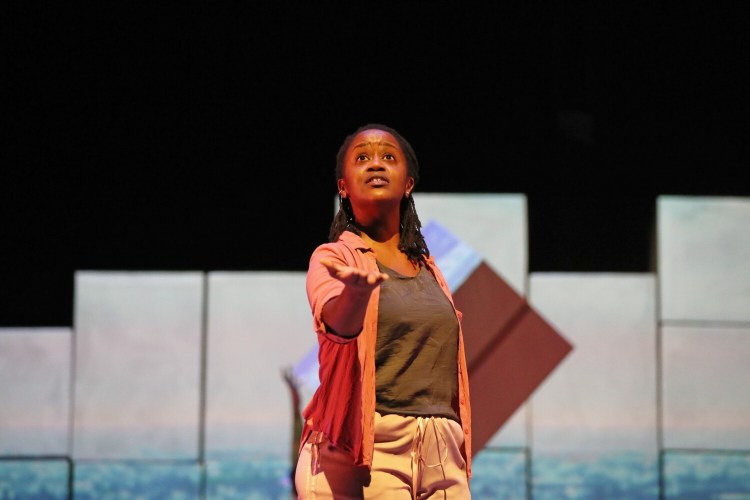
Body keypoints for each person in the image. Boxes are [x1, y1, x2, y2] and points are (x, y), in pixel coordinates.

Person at [294, 123, 472, 499]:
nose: (376, 164)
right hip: (367, 451)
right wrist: (356, 295)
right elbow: (336, 325)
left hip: (442, 449)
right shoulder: (333, 257)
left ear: (408, 183)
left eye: (388, 157)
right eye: (363, 158)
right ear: (343, 186)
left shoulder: (429, 268)